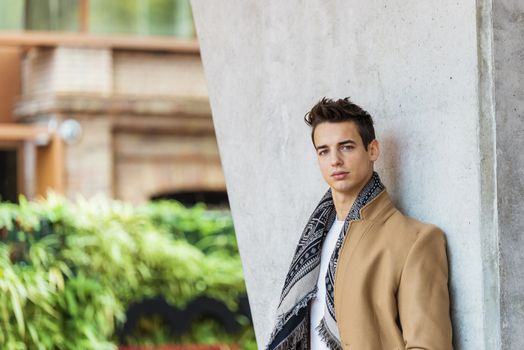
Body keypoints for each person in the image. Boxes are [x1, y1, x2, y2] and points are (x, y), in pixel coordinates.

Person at [266, 97, 453, 350]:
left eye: (346, 147)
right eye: (324, 151)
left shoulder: (415, 240)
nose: (335, 160)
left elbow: (429, 345)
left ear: (372, 150)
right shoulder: (313, 237)